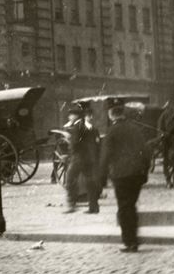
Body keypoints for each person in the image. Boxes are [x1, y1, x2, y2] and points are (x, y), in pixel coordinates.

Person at [100, 102, 153, 253]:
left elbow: (105, 157)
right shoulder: (136, 129)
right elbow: (146, 151)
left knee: (124, 208)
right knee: (131, 205)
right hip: (136, 175)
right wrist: (144, 172)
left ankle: (128, 242)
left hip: (121, 175)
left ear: (111, 115)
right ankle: (133, 240)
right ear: (123, 113)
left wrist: (102, 179)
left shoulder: (112, 131)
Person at [64, 104, 101, 214]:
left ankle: (71, 205)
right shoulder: (88, 127)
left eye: (71, 115)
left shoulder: (77, 127)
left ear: (75, 116)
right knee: (90, 182)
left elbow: (74, 143)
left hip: (78, 158)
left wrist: (69, 142)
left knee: (70, 179)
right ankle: (93, 206)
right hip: (89, 158)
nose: (70, 117)